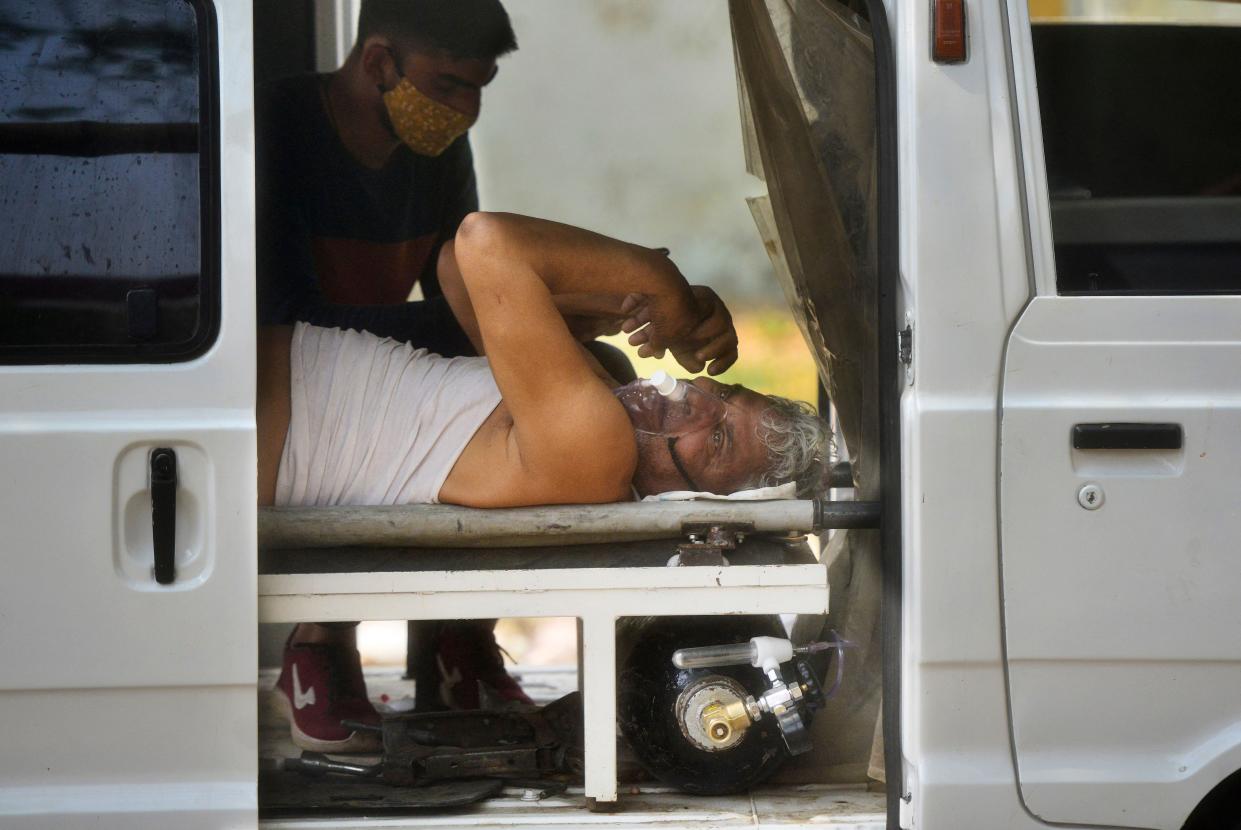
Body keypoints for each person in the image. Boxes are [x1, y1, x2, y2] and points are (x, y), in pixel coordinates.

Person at [260, 214, 832, 750]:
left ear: (696, 498)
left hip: (255, 421)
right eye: (725, 396)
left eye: (717, 441)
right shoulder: (607, 398)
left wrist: (662, 285)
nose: (697, 402)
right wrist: (612, 307)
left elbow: (485, 241)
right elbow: (454, 273)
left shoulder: (595, 448)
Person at [256, 0, 528, 751]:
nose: (465, 111)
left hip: (381, 362)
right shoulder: (275, 127)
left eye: (479, 88)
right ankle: (320, 644)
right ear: (378, 63)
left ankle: (456, 637)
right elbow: (278, 318)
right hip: (289, 383)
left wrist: (535, 334)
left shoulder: (435, 145)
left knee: (512, 398)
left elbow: (459, 296)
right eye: (446, 85)